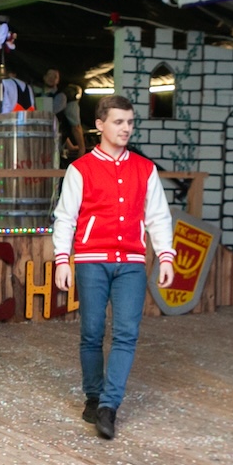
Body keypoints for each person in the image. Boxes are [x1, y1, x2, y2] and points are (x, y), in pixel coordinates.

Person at [51, 95, 175, 441]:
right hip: (91, 260)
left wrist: (165, 255)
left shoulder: (145, 169)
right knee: (91, 332)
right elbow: (65, 218)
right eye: (118, 122)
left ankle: (109, 405)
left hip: (131, 262)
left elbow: (158, 217)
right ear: (100, 125)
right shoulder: (80, 169)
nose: (126, 128)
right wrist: (62, 259)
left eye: (130, 122)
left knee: (126, 333)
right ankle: (93, 395)